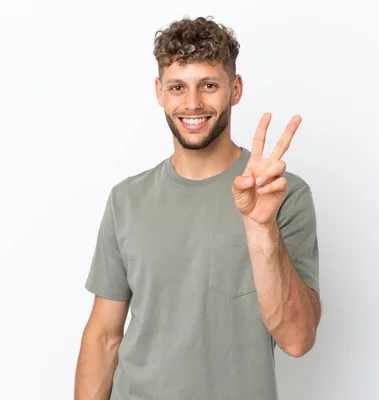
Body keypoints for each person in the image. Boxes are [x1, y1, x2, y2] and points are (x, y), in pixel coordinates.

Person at [74, 16, 322, 400]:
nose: (192, 104)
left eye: (209, 85)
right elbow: (103, 336)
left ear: (235, 89)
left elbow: (297, 339)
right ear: (159, 92)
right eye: (177, 87)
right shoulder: (126, 199)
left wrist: (260, 227)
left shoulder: (282, 195)